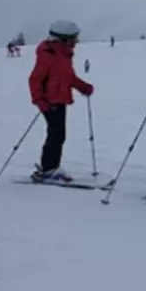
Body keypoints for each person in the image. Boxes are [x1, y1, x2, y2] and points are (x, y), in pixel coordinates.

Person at [27, 19, 94, 182]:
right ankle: (49, 169)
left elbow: (67, 77)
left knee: (58, 134)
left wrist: (83, 87)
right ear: (63, 39)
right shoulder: (48, 55)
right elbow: (35, 79)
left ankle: (50, 167)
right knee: (56, 134)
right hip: (50, 102)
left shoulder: (63, 55)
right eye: (73, 39)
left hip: (60, 99)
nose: (76, 43)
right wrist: (40, 101)